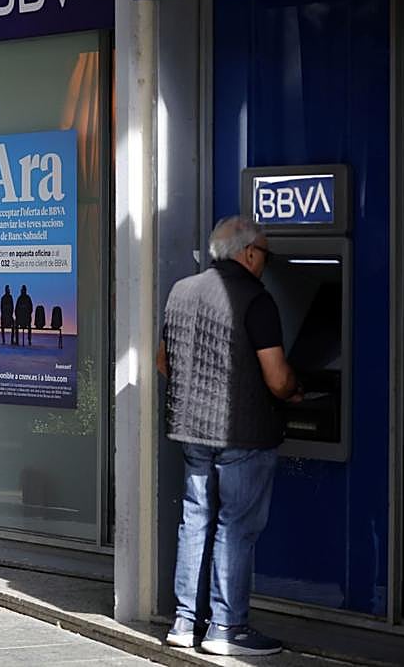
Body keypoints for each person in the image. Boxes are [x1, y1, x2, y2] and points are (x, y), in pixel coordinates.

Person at [156, 215, 301, 656]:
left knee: (195, 520)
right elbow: (277, 379)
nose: (266, 262)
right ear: (250, 253)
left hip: (192, 429)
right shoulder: (257, 300)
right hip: (243, 433)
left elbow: (164, 361)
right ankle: (226, 628)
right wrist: (296, 391)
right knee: (236, 527)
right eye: (266, 254)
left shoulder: (181, 291)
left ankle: (185, 622)